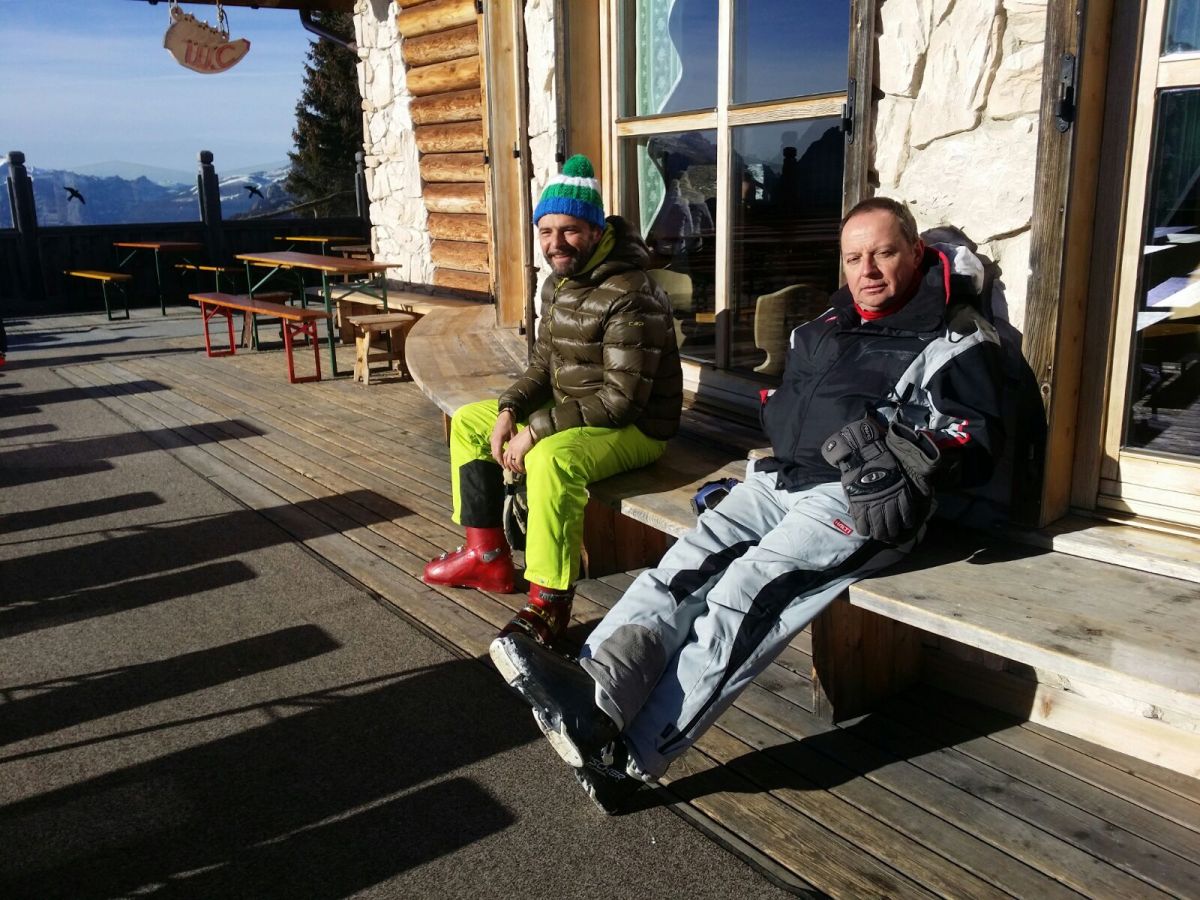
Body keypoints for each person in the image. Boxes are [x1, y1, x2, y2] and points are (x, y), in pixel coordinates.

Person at [489, 197, 1005, 813]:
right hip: (778, 479)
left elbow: (977, 440)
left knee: (744, 597)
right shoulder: (827, 324)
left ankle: (633, 757)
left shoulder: (954, 339)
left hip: (857, 499)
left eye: (884, 253)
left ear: (915, 253)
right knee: (680, 569)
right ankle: (597, 696)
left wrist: (908, 455)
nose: (867, 270)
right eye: (853, 258)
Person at [423, 154, 683, 645]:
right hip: (578, 413)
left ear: (596, 230)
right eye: (545, 231)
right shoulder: (558, 283)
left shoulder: (631, 292)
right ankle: (486, 556)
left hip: (638, 427)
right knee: (472, 420)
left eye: (569, 230)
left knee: (551, 459)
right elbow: (544, 365)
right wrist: (510, 410)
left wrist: (536, 430)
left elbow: (622, 402)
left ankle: (549, 602)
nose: (555, 243)